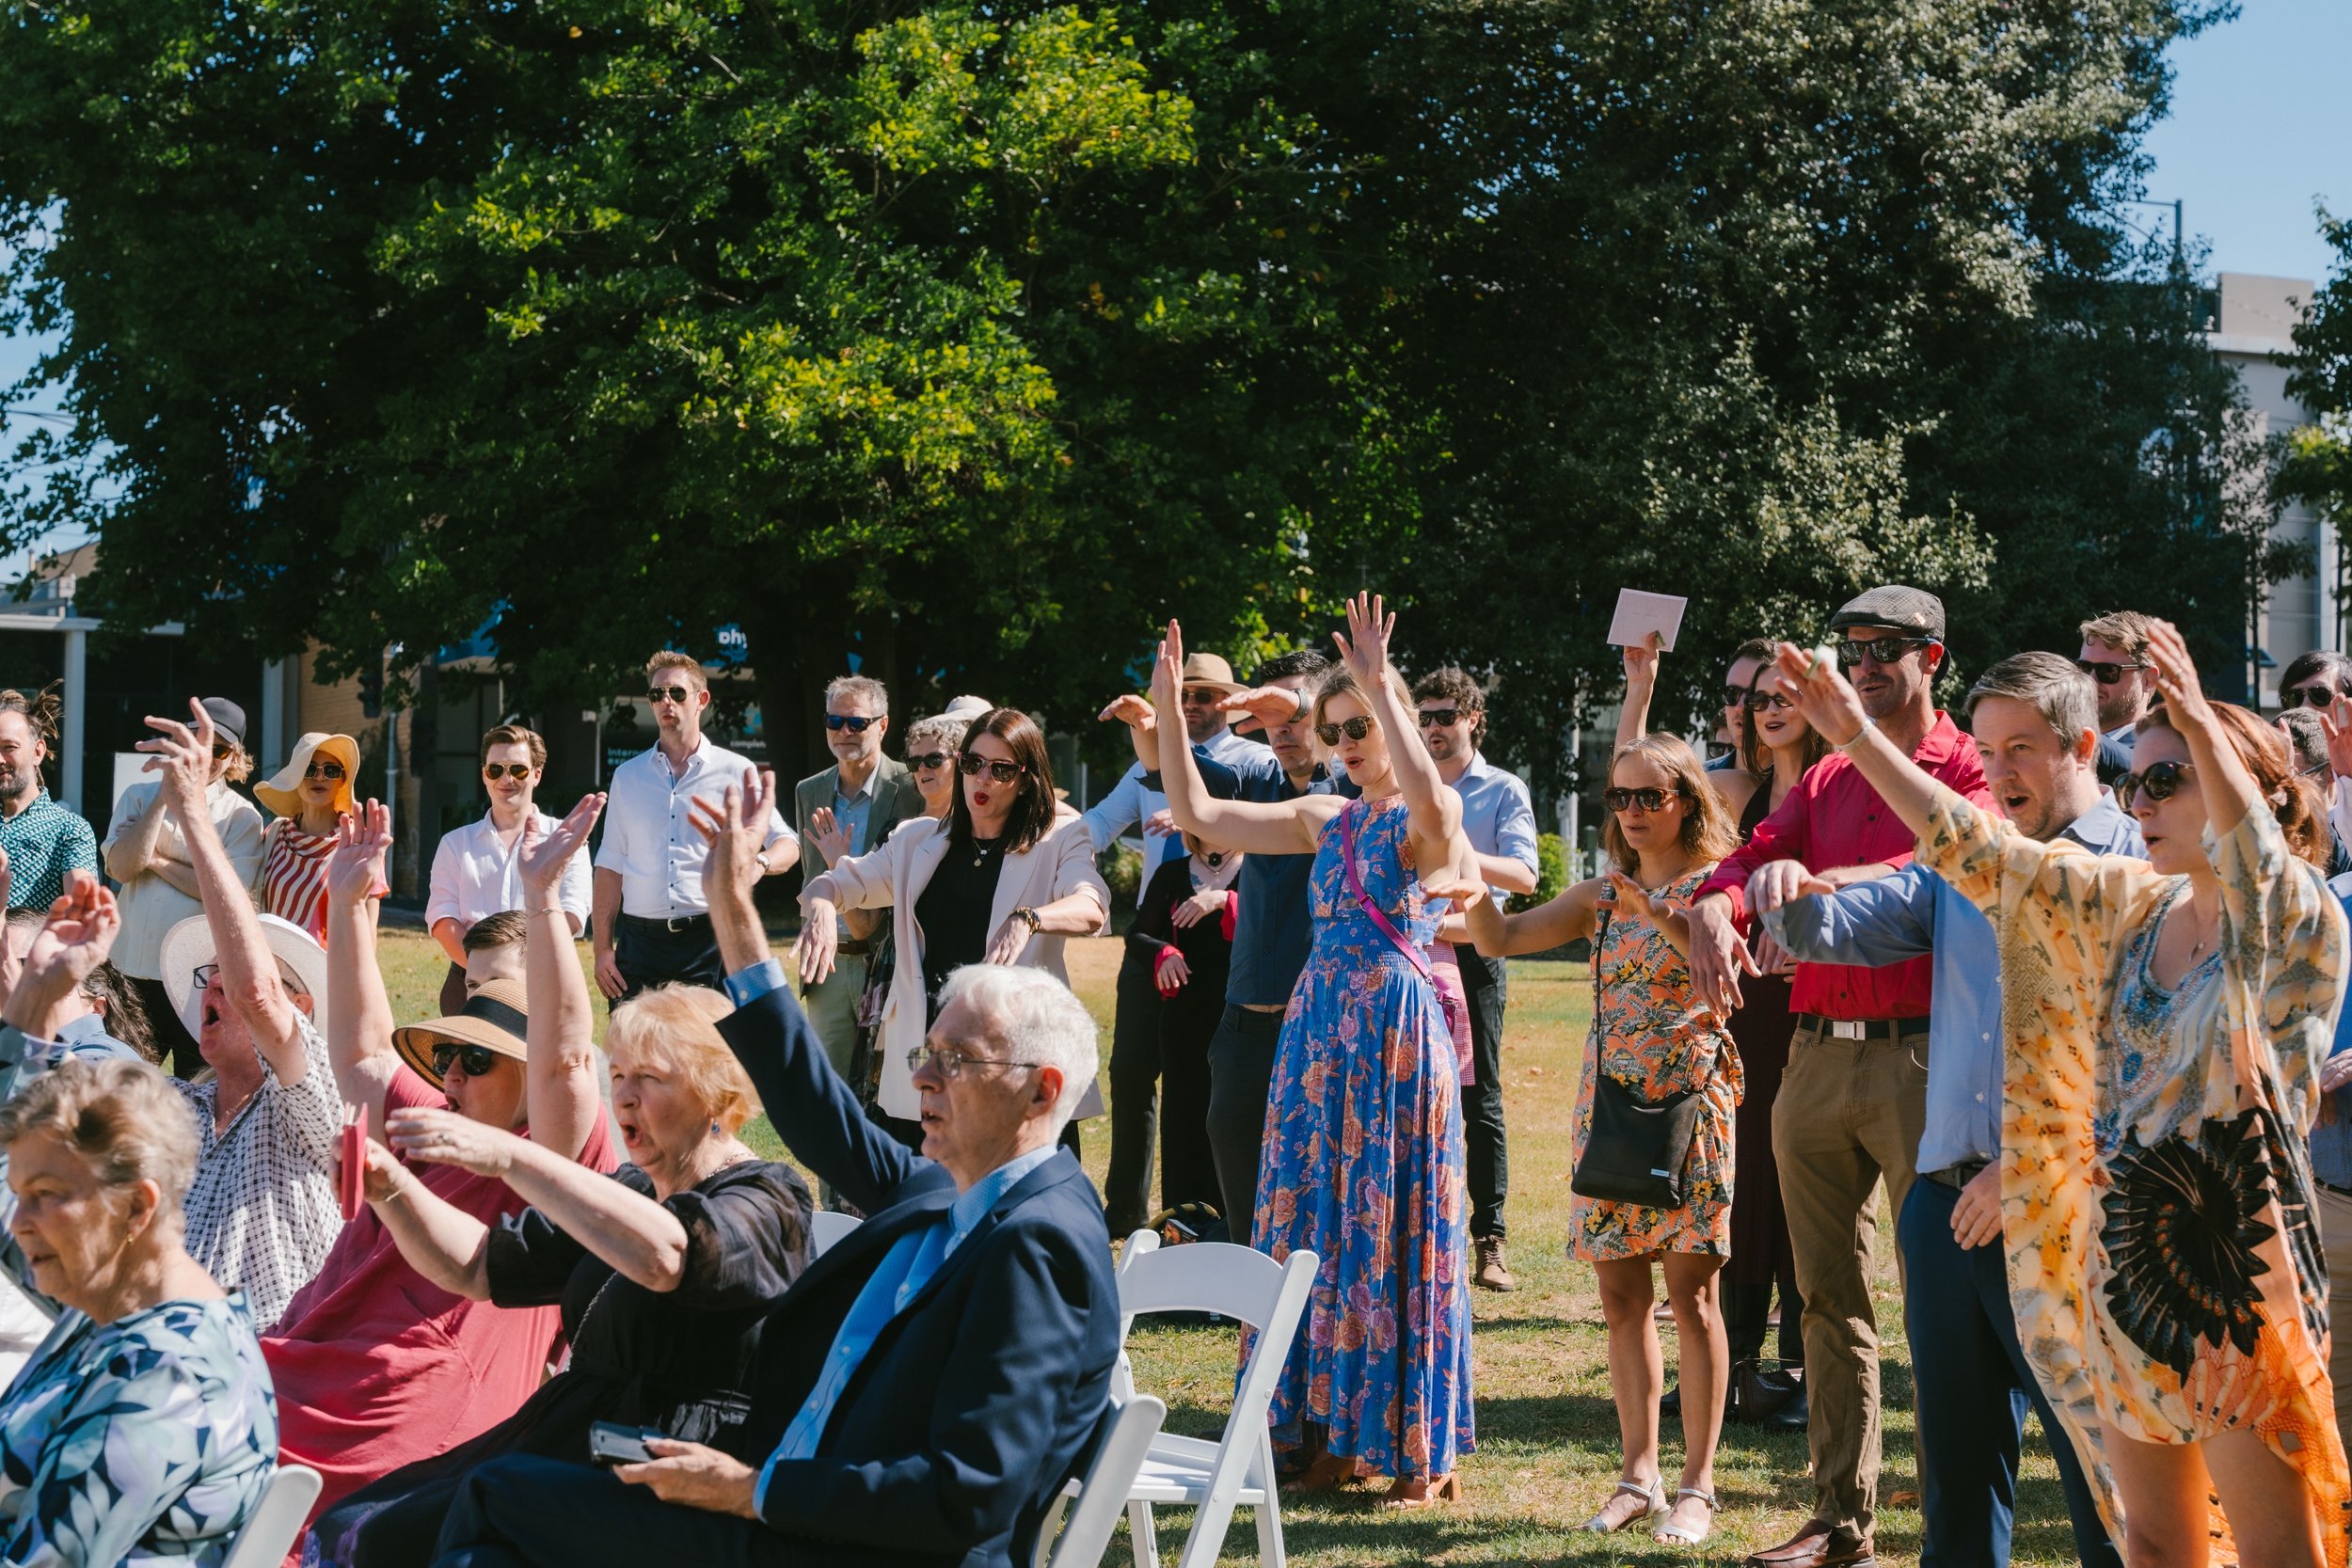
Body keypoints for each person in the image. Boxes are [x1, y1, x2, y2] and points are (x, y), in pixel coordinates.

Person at [423, 768, 1119, 1568]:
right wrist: (730, 905)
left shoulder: (1037, 1241)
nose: (923, 1078)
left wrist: (755, 1490)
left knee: (495, 1498)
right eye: (927, 1053)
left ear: (1042, 1090)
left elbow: (967, 1495)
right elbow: (816, 1107)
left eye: (956, 1060)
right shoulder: (949, 1191)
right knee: (479, 1513)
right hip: (779, 1504)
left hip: (825, 1540)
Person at [1766, 621, 2348, 1568]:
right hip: (2122, 1277)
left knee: (2279, 1554)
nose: (2140, 800)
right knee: (2151, 1545)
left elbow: (2262, 868)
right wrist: (1856, 737)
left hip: (2237, 1290)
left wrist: (2197, 715)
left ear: (2245, 785)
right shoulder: (2135, 901)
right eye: (2136, 781)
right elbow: (1979, 851)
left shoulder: (2296, 920)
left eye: (2167, 778)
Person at [1757, 653, 2135, 1568]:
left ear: (2083, 745)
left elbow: (2135, 1066)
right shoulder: (1965, 858)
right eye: (1987, 751)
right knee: (1957, 1483)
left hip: (2066, 1209)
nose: (1998, 772)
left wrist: (2031, 1167)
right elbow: (1859, 918)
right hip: (1944, 1205)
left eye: (2023, 749)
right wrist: (1791, 892)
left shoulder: (2132, 868)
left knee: (2109, 1487)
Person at [1680, 585, 1993, 1568]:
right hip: (1814, 1053)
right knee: (1824, 1299)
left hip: (1923, 1055)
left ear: (1931, 658)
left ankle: (1953, 1534)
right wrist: (1715, 904)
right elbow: (1748, 857)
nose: (1863, 663)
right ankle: (1839, 1520)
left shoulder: (1967, 766)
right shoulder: (1821, 779)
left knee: (1946, 1308)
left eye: (1885, 647)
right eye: (1852, 647)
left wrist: (1812, 883)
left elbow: (1947, 870)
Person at [1155, 596, 1478, 1508]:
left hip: (1393, 1037)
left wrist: (1381, 682)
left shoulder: (1429, 810)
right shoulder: (1322, 816)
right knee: (1318, 1225)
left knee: (1392, 1223)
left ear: (1393, 722)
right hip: (1316, 1036)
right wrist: (1171, 711)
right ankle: (1333, 1433)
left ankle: (1413, 1447)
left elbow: (1430, 805)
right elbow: (1197, 811)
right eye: (1333, 730)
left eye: (1358, 726)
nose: (1345, 743)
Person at [310, 984, 812, 1568]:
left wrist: (511, 1157)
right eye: (618, 1075)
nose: (624, 1097)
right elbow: (479, 1265)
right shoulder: (633, 1189)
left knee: (459, 1542)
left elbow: (670, 1256)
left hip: (668, 1473)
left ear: (715, 1094)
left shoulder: (769, 1197)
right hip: (576, 1441)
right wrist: (393, 1188)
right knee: (362, 1525)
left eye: (649, 1077)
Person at [265, 793, 617, 1537]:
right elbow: (363, 1053)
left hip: (406, 1410)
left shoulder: (555, 1155)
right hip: (306, 1366)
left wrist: (543, 898)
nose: (454, 1068)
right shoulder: (438, 1119)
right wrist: (347, 903)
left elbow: (564, 1062)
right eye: (451, 1048)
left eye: (479, 1055)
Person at [1461, 734, 1741, 1544]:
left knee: (1692, 1298)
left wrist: (1657, 911)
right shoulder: (1600, 893)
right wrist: (1468, 872)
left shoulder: (1719, 886)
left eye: (1650, 795)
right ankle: (1638, 1476)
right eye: (1621, 797)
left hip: (1690, 1104)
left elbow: (1716, 964)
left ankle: (1697, 1487)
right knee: (1621, 1298)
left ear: (1688, 799)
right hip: (1610, 1107)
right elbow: (1499, 939)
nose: (1633, 811)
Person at [1625, 637, 1822, 1428]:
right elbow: (1638, 785)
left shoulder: (1840, 786)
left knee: (1801, 1177)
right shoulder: (1735, 788)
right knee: (1740, 1177)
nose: (1760, 709)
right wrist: (1639, 689)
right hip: (1739, 999)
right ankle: (1734, 1366)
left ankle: (1803, 1369)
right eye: (1750, 697)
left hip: (1811, 999)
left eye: (1778, 695)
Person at [0, 1044, 277, 1566]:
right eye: (18, 1193)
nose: (18, 1221)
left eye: (45, 1193)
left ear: (135, 1206)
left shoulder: (167, 1375)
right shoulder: (104, 1308)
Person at [1112, 648, 1350, 1235]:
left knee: (1318, 1162)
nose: (1281, 727)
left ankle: (1310, 1275)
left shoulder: (1355, 786)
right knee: (1230, 1138)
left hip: (1319, 1012)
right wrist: (1162, 714)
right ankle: (1248, 1265)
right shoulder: (1254, 780)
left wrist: (1298, 703)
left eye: (1293, 710)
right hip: (1244, 1011)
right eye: (1269, 715)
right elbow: (1178, 780)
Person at [796, 705, 1108, 1133]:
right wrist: (820, 906)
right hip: (926, 1058)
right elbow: (837, 883)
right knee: (919, 1175)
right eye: (973, 763)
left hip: (1011, 1060)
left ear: (1025, 780)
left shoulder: (1060, 838)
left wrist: (1029, 918)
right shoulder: (914, 839)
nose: (982, 779)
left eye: (1001, 769)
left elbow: (1091, 905)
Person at [135, 702, 345, 1333]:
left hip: (268, 1354)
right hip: (170, 1350)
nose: (211, 994)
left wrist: (193, 815)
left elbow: (259, 995)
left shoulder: (305, 1105)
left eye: (226, 982)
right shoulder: (182, 1106)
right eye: (208, 980)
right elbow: (76, 1061)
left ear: (298, 1007)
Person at [1412, 667, 1539, 1290]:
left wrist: (1455, 845)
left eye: (1445, 716)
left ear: (1473, 720)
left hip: (1475, 948)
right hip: (1411, 950)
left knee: (1478, 1097)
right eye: (1425, 718)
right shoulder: (1404, 783)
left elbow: (1524, 876)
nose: (1433, 728)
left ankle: (1490, 1240)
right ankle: (1416, 1235)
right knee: (1410, 1092)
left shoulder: (1502, 788)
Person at [592, 652, 793, 1001]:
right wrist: (601, 949)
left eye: (677, 692)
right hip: (641, 945)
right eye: (657, 694)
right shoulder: (627, 776)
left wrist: (758, 863)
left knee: (716, 1037)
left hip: (711, 938)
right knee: (635, 1037)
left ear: (701, 700)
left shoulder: (736, 770)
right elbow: (610, 865)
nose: (665, 702)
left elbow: (787, 844)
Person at [102, 696, 265, 1078]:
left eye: (219, 749)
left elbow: (224, 895)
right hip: (131, 973)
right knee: (124, 1088)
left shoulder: (241, 817)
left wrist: (154, 859)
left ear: (235, 758)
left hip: (199, 983)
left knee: (199, 1092)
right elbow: (123, 868)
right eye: (197, 742)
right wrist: (166, 793)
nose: (205, 756)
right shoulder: (139, 796)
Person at [792, 676, 923, 1085]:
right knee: (830, 1090)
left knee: (889, 1089)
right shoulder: (809, 791)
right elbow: (812, 872)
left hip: (890, 961)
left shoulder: (912, 786)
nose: (843, 731)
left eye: (856, 722)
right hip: (828, 965)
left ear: (882, 725)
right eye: (834, 721)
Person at [1119, 832, 1243, 1223]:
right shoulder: (1171, 873)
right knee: (1182, 1119)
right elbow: (1137, 934)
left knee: (1231, 1120)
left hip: (1241, 1017)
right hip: (1183, 1020)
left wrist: (1224, 900)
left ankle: (1232, 1226)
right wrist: (1163, 952)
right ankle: (1182, 1224)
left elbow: (1277, 927)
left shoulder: (1258, 870)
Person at [427, 724, 591, 1017]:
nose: (506, 779)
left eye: (518, 769)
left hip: (543, 980)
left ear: (536, 775)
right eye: (496, 770)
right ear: (484, 775)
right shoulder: (455, 843)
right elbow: (442, 919)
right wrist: (485, 972)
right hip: (467, 984)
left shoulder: (565, 840)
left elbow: (572, 915)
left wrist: (522, 969)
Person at [1084, 651, 1262, 879]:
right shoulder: (1149, 763)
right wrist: (1055, 835)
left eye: (1203, 696)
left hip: (1225, 898)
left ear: (1226, 701)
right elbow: (1101, 823)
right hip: (1156, 901)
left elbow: (1270, 831)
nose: (1190, 704)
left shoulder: (1256, 760)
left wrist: (1195, 815)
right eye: (1182, 695)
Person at [253, 731, 362, 942]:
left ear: (342, 781)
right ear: (295, 778)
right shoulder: (274, 834)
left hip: (326, 961)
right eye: (309, 769)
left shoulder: (357, 843)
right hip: (270, 956)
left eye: (330, 770)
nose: (319, 777)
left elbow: (366, 930)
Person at [0, 687, 95, 913]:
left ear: (38, 752)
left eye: (9, 748)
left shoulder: (69, 829)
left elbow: (82, 907)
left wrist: (84, 905)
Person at [2078, 611, 2159, 786]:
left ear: (2148, 679)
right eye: (2084, 668)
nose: (2091, 680)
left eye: (2108, 670)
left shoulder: (2163, 750)